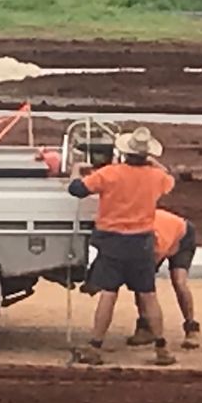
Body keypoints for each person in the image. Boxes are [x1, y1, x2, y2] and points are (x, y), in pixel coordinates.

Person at [67, 127, 176, 366]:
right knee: (148, 295)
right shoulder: (156, 178)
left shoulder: (110, 174)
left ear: (124, 152)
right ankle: (162, 348)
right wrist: (152, 160)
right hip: (142, 242)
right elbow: (169, 177)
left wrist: (76, 171)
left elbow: (77, 190)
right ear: (146, 154)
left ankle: (95, 346)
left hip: (113, 240)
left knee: (109, 293)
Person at [125, 206, 202, 349]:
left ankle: (191, 327)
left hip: (182, 236)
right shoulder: (134, 231)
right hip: (162, 234)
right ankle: (145, 325)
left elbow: (146, 273)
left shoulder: (157, 243)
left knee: (179, 281)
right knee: (140, 284)